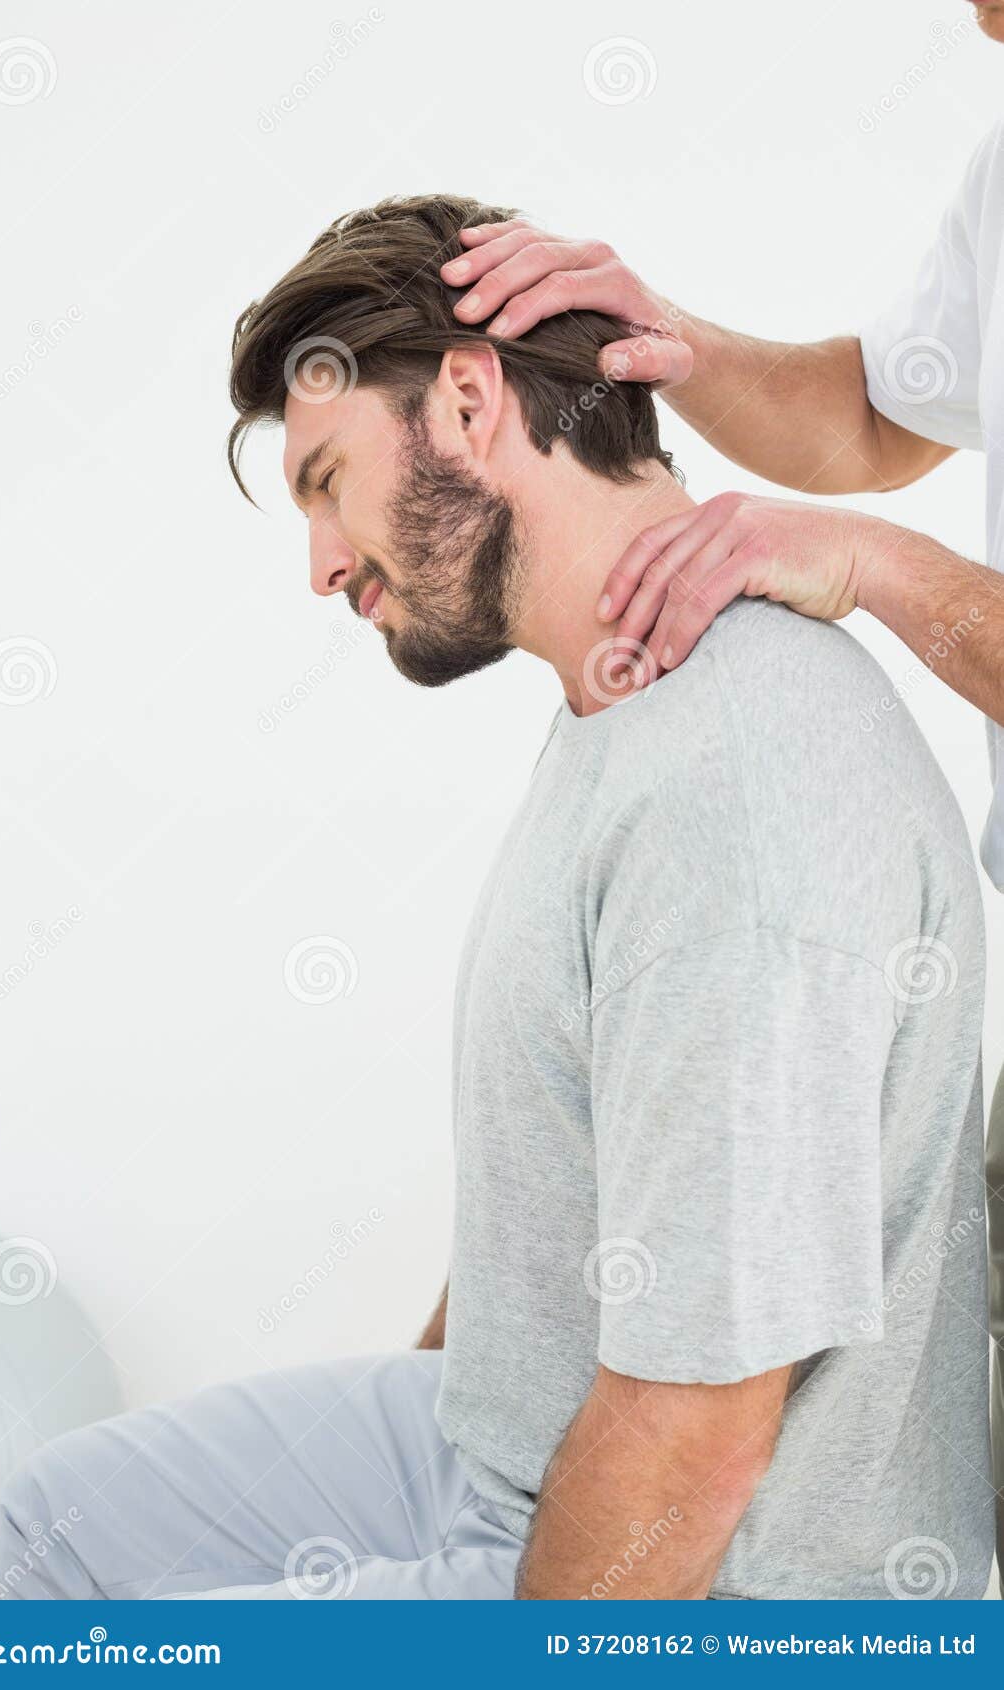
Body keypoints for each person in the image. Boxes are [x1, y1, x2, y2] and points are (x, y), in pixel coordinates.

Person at [0, 194, 991, 1601]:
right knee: (60, 1525)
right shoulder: (625, 697)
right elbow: (585, 1161)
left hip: (739, 1592)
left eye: (327, 480)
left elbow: (698, 1446)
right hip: (510, 1448)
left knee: (63, 1652)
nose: (324, 567)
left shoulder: (737, 776)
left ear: (468, 400)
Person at [442, 12, 1004, 1575]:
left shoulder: (757, 770)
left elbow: (696, 1428)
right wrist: (664, 334)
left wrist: (875, 566)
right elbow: (880, 417)